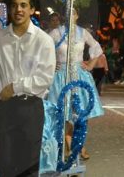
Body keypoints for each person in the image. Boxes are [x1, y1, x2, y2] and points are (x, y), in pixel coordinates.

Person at [0, 0, 56, 177]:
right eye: (14, 5)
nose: (18, 10)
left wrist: (15, 87)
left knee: (29, 166)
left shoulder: (43, 40)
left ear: (32, 10)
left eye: (24, 5)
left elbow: (45, 78)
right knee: (5, 164)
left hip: (31, 107)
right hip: (4, 108)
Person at [48, 8, 104, 160]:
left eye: (73, 12)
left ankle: (78, 143)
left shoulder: (82, 32)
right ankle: (69, 143)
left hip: (79, 75)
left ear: (77, 16)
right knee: (64, 112)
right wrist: (52, 65)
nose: (70, 15)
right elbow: (43, 50)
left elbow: (96, 47)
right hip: (61, 76)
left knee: (81, 112)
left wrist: (91, 64)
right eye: (67, 12)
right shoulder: (56, 33)